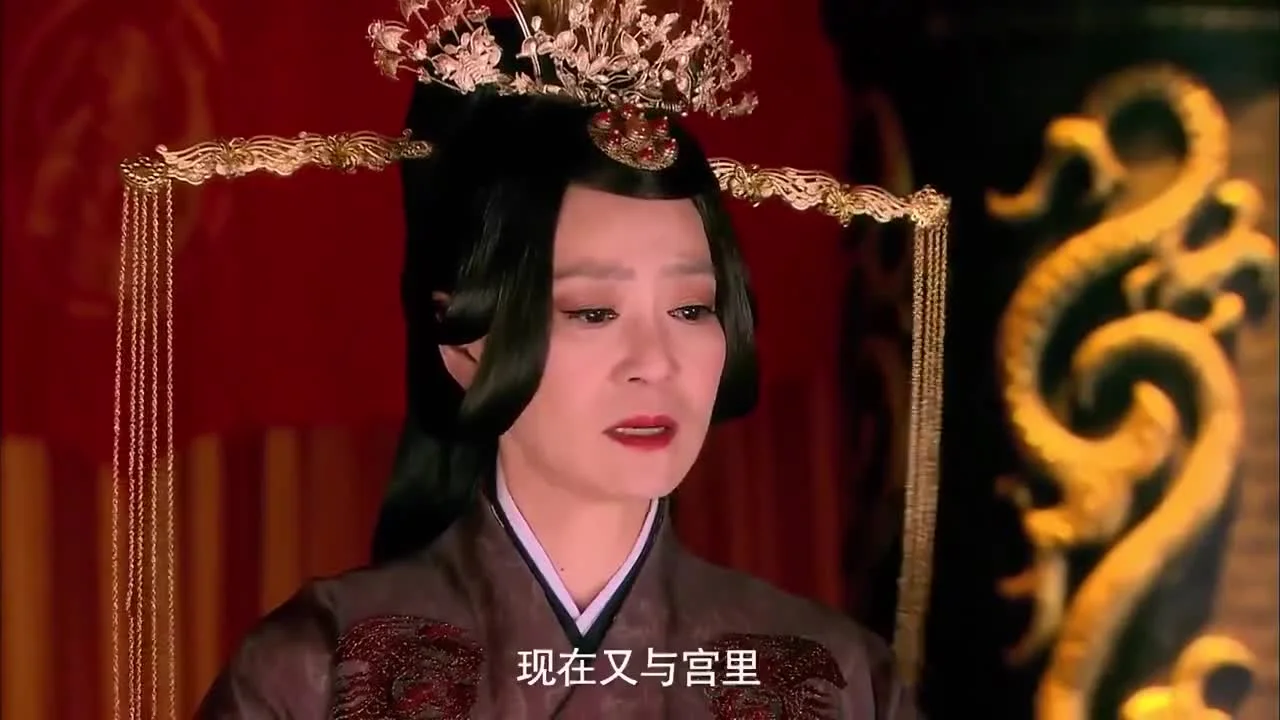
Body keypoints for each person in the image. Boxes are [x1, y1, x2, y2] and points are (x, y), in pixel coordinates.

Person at [130, 2, 945, 718]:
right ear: (464, 342)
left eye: (691, 309)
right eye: (593, 311)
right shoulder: (315, 674)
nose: (655, 361)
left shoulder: (831, 680)